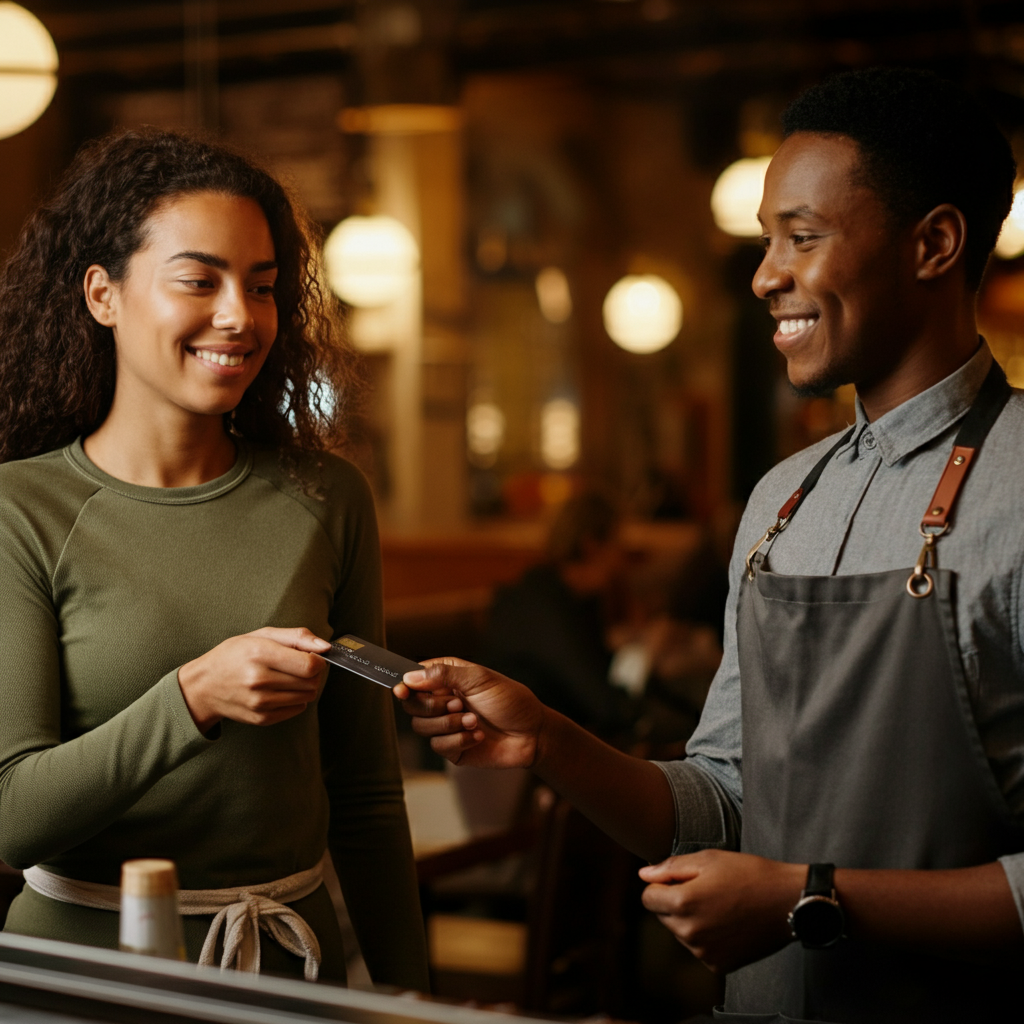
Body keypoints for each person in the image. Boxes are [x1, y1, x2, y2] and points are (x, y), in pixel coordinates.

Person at [396, 67, 1024, 1022]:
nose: (765, 274)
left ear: (933, 243)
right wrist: (549, 741)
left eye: (801, 238)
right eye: (767, 239)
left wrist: (812, 902)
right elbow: (729, 800)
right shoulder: (784, 501)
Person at [0, 128, 429, 990]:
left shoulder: (326, 495)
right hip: (82, 976)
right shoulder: (21, 509)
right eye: (200, 279)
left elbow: (368, 793)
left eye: (263, 286)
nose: (240, 315)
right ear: (103, 296)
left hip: (292, 967)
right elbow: (10, 816)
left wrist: (411, 994)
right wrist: (193, 697)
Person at [482, 492, 637, 737]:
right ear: (591, 545)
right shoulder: (541, 602)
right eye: (618, 543)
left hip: (548, 742)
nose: (622, 558)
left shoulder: (578, 599)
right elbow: (603, 704)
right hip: (511, 750)